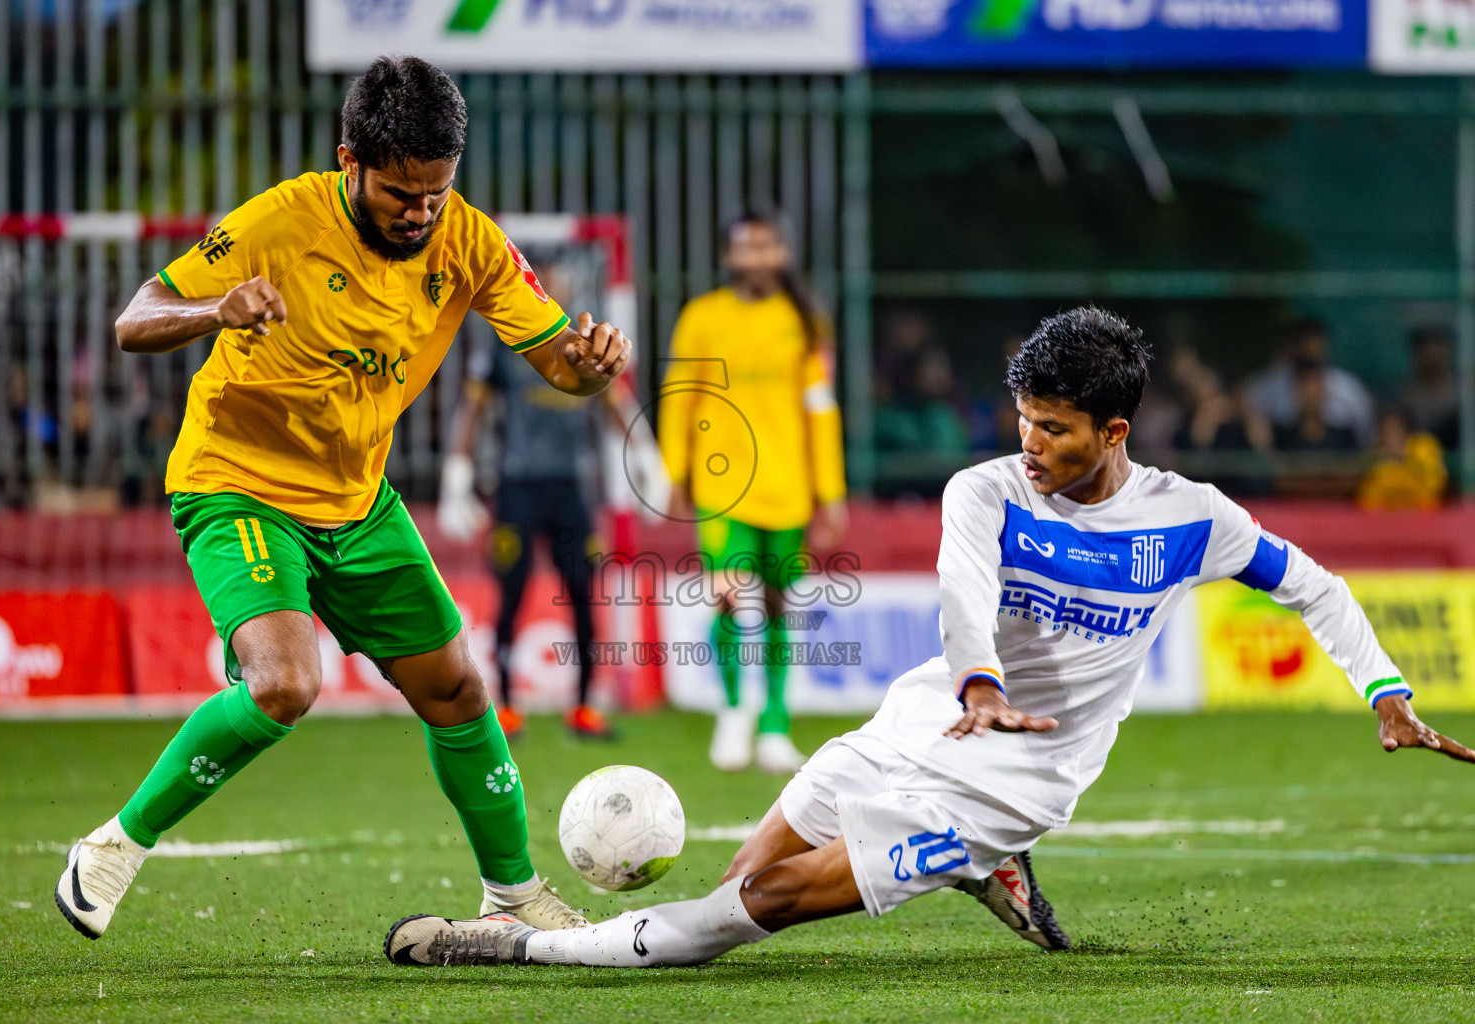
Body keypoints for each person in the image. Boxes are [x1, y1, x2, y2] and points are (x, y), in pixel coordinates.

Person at [382, 306, 1474, 969]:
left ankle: (515, 943)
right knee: (739, 879)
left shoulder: (1191, 518)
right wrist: (978, 682)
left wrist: (1382, 687)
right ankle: (987, 875)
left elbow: (1315, 585)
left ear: (1116, 432)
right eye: (1025, 417)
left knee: (754, 912)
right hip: (927, 715)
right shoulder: (987, 489)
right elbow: (961, 589)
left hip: (1018, 779)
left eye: (1055, 426)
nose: (1031, 441)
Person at [54, 57, 628, 941]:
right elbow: (135, 318)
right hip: (236, 484)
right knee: (286, 683)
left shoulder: (468, 239)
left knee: (459, 692)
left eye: (437, 191)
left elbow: (556, 359)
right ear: (349, 160)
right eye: (403, 193)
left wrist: (588, 372)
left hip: (357, 503)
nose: (421, 212)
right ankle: (112, 847)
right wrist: (216, 309)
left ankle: (512, 898)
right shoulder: (280, 219)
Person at [658, 212, 848, 774]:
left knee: (778, 607)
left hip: (788, 487)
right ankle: (735, 712)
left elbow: (820, 409)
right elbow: (678, 398)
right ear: (729, 256)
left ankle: (774, 724)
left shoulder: (805, 321)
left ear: (782, 253)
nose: (758, 257)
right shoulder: (702, 317)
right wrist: (672, 472)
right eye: (747, 247)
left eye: (768, 246)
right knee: (727, 595)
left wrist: (830, 489)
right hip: (722, 487)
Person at [440, 262, 652, 741]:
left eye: (563, 280)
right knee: (511, 593)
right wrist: (459, 471)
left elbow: (613, 399)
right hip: (517, 485)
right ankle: (508, 706)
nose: (555, 288)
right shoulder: (505, 341)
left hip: (573, 488)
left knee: (582, 592)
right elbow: (472, 405)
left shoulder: (586, 344)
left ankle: (582, 706)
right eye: (548, 279)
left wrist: (646, 454)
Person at [1244, 318, 1376, 447]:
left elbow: (1364, 431)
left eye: (1315, 343)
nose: (1310, 349)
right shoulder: (1272, 384)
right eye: (1305, 343)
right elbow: (1249, 400)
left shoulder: (1348, 387)